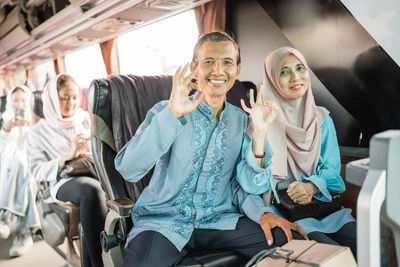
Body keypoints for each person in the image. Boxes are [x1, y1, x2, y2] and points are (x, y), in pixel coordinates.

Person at [115, 31, 308, 267]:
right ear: (195, 68)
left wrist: (263, 213)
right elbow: (128, 169)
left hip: (219, 220)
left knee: (295, 244)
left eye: (227, 62)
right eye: (209, 62)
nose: (218, 71)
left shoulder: (242, 121)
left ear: (237, 70)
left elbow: (242, 186)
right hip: (163, 221)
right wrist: (172, 115)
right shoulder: (166, 110)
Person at [237, 47, 357, 258]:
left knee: (371, 249)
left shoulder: (322, 120)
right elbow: (249, 186)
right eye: (284, 71)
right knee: (332, 258)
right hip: (282, 214)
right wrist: (260, 134)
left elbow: (334, 177)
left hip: (324, 209)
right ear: (273, 78)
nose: (295, 77)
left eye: (300, 68)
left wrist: (311, 186)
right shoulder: (259, 121)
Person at [27, 74, 107, 267]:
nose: (71, 102)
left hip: (94, 170)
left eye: (74, 97)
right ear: (54, 99)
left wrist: (91, 146)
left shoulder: (86, 119)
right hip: (61, 180)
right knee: (92, 191)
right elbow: (36, 170)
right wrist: (65, 157)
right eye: (64, 98)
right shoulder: (38, 131)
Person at [0, 85, 41, 257]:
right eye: (16, 100)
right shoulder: (6, 120)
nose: (20, 104)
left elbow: (40, 147)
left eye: (24, 100)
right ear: (10, 102)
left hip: (31, 163)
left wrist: (32, 126)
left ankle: (5, 215)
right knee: (19, 167)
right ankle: (23, 234)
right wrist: (6, 130)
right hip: (9, 166)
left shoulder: (38, 120)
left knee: (24, 167)